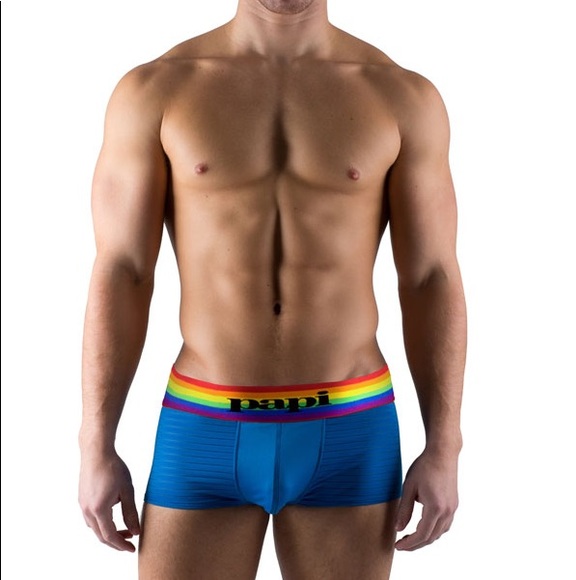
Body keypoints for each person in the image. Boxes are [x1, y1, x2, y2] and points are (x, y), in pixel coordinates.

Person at [78, 1, 467, 578]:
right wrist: (95, 442)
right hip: (204, 423)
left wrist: (444, 447)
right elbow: (124, 270)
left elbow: (430, 276)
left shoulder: (401, 96)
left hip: (350, 426)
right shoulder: (156, 90)